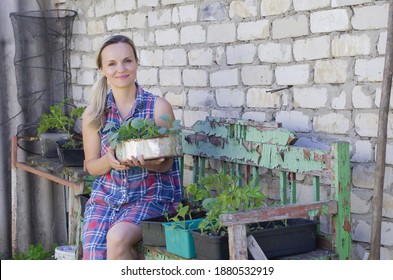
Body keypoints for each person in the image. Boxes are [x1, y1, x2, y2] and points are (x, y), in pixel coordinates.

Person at [81, 35, 182, 260]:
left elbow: (167, 165)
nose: (121, 69)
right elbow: (91, 167)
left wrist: (149, 163)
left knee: (117, 238)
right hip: (106, 200)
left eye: (127, 60)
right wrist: (109, 161)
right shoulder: (94, 114)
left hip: (151, 198)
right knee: (94, 256)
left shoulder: (158, 107)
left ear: (136, 63)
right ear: (102, 69)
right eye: (112, 64)